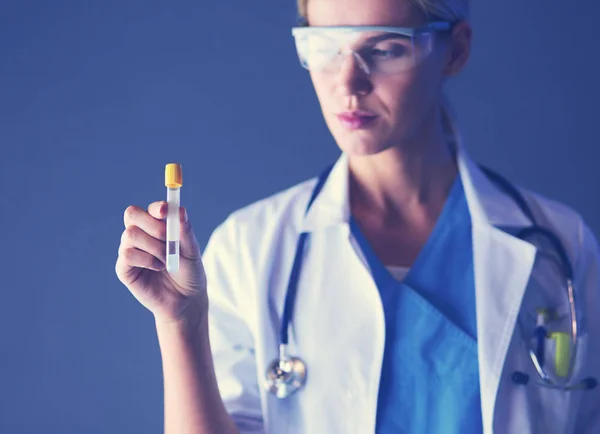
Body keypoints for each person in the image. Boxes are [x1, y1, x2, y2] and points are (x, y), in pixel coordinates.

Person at [115, 0, 600, 432]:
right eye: (324, 45)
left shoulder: (561, 243)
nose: (348, 81)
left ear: (454, 50)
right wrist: (181, 325)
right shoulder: (250, 247)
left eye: (386, 49)